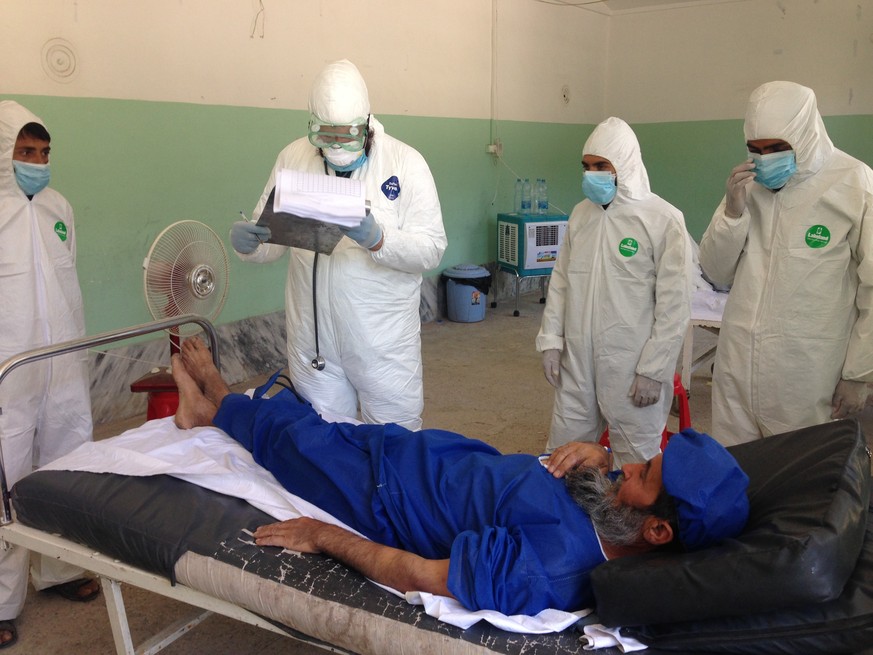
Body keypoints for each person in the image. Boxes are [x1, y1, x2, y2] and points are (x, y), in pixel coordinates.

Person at [171, 337, 749, 616]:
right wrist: (594, 461)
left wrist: (324, 537)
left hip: (384, 496)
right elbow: (603, 476)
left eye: (642, 474)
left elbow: (418, 574)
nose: (625, 465)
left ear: (657, 532)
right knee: (318, 424)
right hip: (426, 454)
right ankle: (225, 403)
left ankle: (213, 403)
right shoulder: (615, 510)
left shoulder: (549, 568)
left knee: (298, 444)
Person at [230, 59, 446, 431]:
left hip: (383, 344)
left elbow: (431, 248)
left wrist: (379, 240)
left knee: (394, 450)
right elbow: (273, 241)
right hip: (314, 344)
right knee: (322, 448)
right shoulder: (294, 158)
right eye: (324, 135)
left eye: (345, 135)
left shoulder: (405, 164)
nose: (335, 146)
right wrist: (250, 244)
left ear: (366, 124)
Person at [698, 81, 873, 445]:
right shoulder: (748, 186)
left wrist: (859, 373)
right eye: (756, 149)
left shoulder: (853, 183)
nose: (765, 159)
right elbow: (715, 271)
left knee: (799, 481)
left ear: (806, 135)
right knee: (736, 475)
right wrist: (732, 213)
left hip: (807, 375)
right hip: (737, 366)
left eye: (778, 148)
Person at [0, 100, 100, 648]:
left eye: (43, 152)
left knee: (67, 466)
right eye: (25, 151)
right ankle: (0, 600)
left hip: (61, 364)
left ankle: (60, 570)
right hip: (8, 374)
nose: (37, 162)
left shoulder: (59, 206)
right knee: (5, 483)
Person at [537, 117, 692, 467]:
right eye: (586, 166)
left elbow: (674, 305)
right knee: (564, 458)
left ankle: (628, 525)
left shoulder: (662, 220)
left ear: (624, 166)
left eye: (601, 166)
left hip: (631, 368)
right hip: (577, 363)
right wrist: (550, 339)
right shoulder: (581, 215)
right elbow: (561, 281)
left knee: (634, 468)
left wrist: (654, 369)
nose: (591, 174)